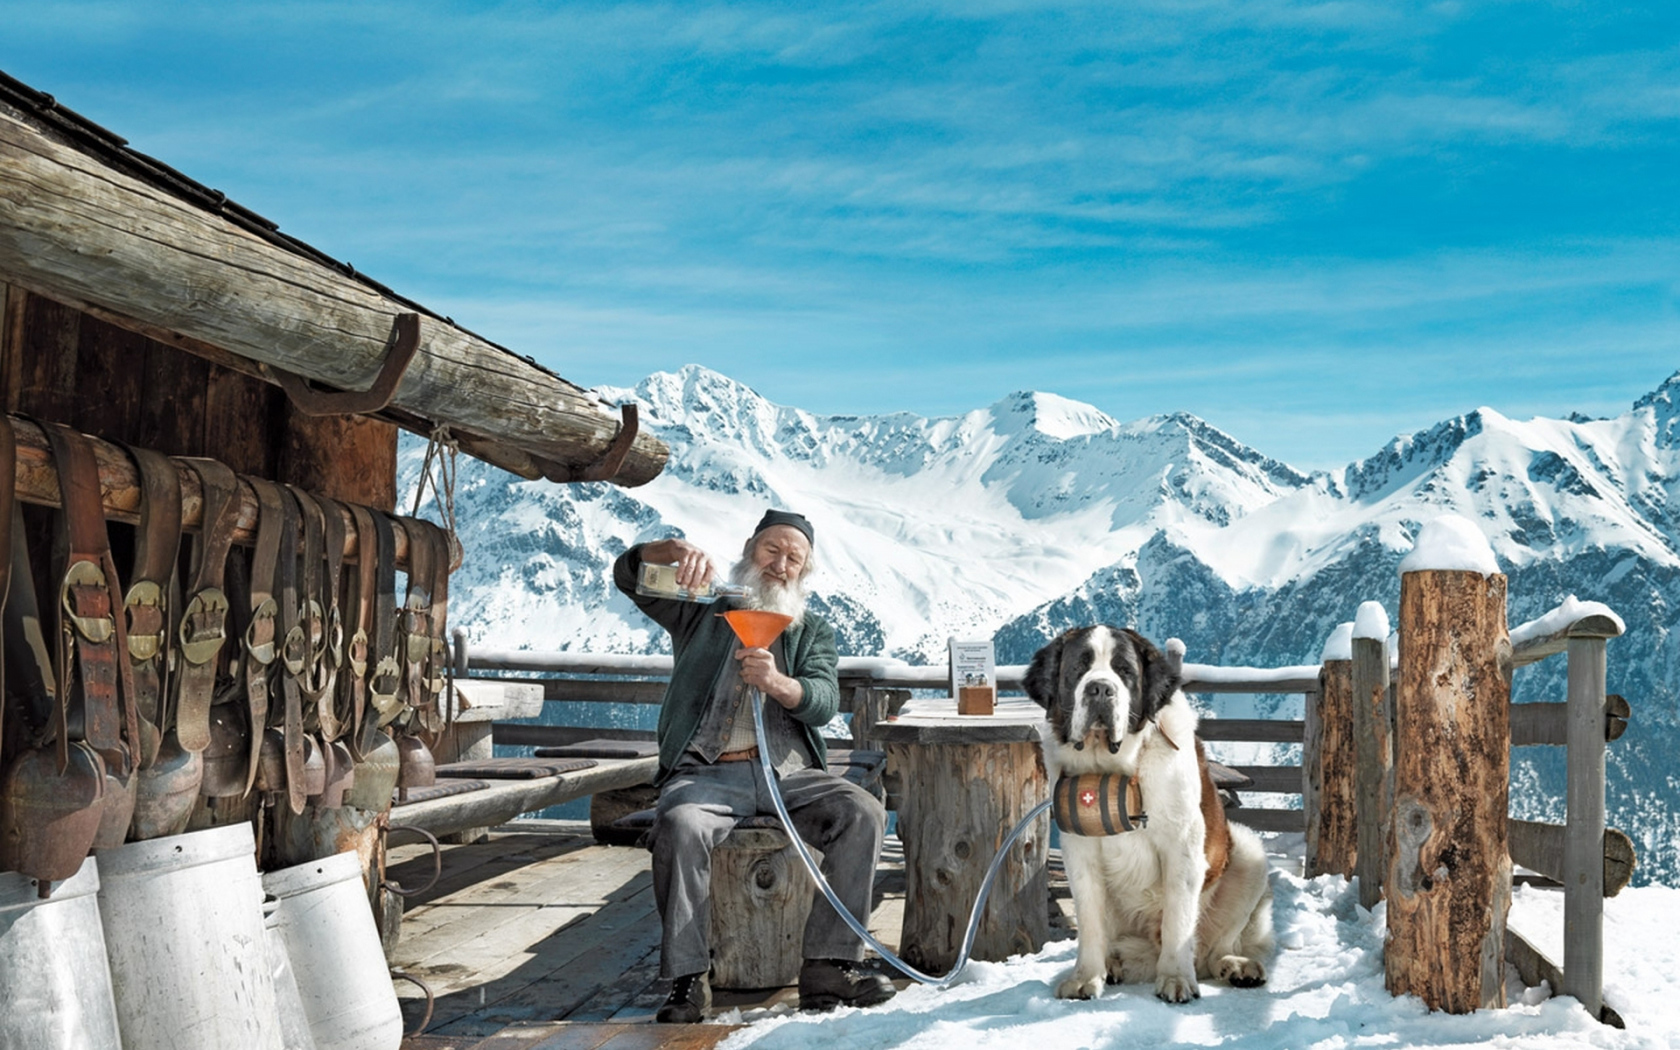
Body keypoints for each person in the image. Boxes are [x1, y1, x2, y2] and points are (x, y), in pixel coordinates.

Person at [613, 509, 897, 1023]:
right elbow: (628, 577)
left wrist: (779, 685)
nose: (781, 564)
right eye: (772, 550)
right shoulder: (703, 609)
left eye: (794, 558)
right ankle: (687, 979)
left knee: (864, 812)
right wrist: (671, 550)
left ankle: (829, 966)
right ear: (749, 549)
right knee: (679, 824)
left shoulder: (811, 630)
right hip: (705, 772)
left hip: (787, 774)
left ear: (804, 571)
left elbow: (824, 701)